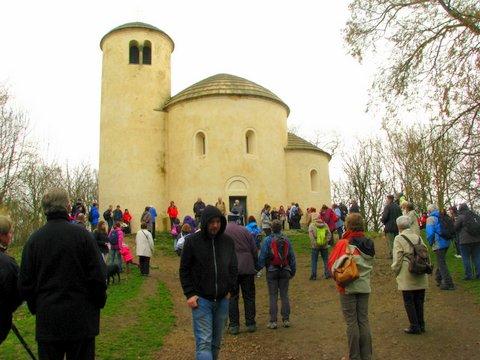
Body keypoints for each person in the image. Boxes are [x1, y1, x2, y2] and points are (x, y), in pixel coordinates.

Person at [18, 188, 107, 360]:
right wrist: (97, 303)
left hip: (49, 320)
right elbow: (98, 276)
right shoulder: (84, 237)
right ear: (68, 206)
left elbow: (25, 284)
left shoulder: (34, 241)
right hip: (81, 320)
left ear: (45, 209)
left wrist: (37, 307)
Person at [180, 205, 237, 360]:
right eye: (211, 222)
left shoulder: (227, 242)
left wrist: (231, 290)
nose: (215, 225)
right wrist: (190, 294)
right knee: (204, 342)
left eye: (218, 221)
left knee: (216, 343)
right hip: (201, 300)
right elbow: (184, 270)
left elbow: (233, 267)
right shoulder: (192, 242)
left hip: (222, 300)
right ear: (205, 222)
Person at [328, 213, 374, 360]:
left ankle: (354, 356)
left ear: (348, 225)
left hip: (348, 287)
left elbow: (332, 265)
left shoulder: (344, 243)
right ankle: (367, 355)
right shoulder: (369, 243)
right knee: (363, 320)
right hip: (364, 285)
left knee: (351, 322)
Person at [391, 216, 429, 334]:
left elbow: (397, 257)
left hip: (407, 272)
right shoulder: (418, 237)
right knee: (419, 300)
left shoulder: (399, 238)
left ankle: (414, 325)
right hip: (420, 271)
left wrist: (395, 270)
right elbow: (425, 253)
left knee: (409, 301)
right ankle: (421, 324)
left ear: (399, 226)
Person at [258, 219, 296, 329]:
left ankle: (273, 321)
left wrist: (258, 269)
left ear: (271, 229)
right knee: (284, 295)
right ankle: (286, 320)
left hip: (271, 270)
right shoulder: (287, 240)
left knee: (273, 296)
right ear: (281, 228)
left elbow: (262, 256)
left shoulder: (267, 240)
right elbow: (292, 257)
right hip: (285, 270)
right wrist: (292, 271)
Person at [225, 218, 258, 335]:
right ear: (238, 221)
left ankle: (234, 325)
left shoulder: (224, 231)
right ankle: (250, 323)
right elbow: (254, 249)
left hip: (231, 269)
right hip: (247, 267)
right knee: (249, 296)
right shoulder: (245, 231)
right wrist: (255, 264)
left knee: (233, 297)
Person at [0, 216, 22, 345]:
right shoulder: (7, 264)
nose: (11, 236)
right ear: (2, 236)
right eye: (9, 233)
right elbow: (18, 294)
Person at [426, 204, 455, 290]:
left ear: (429, 211)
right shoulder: (442, 216)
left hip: (438, 243)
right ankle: (438, 278)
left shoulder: (430, 219)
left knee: (442, 263)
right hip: (446, 241)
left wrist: (430, 243)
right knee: (441, 261)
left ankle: (448, 283)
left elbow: (430, 233)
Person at [454, 203, 480, 280]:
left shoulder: (461, 217)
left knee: (466, 259)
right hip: (477, 240)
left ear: (460, 209)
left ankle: (469, 276)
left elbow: (455, 227)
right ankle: (479, 275)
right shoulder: (474, 215)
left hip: (464, 241)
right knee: (477, 258)